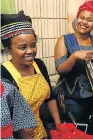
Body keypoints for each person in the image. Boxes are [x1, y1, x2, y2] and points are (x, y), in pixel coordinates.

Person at [1, 11, 61, 139]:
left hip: (40, 131)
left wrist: (59, 126)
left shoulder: (38, 65)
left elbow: (50, 97)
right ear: (8, 50)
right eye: (23, 47)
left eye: (33, 45)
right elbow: (5, 118)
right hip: (16, 135)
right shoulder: (3, 74)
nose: (30, 51)